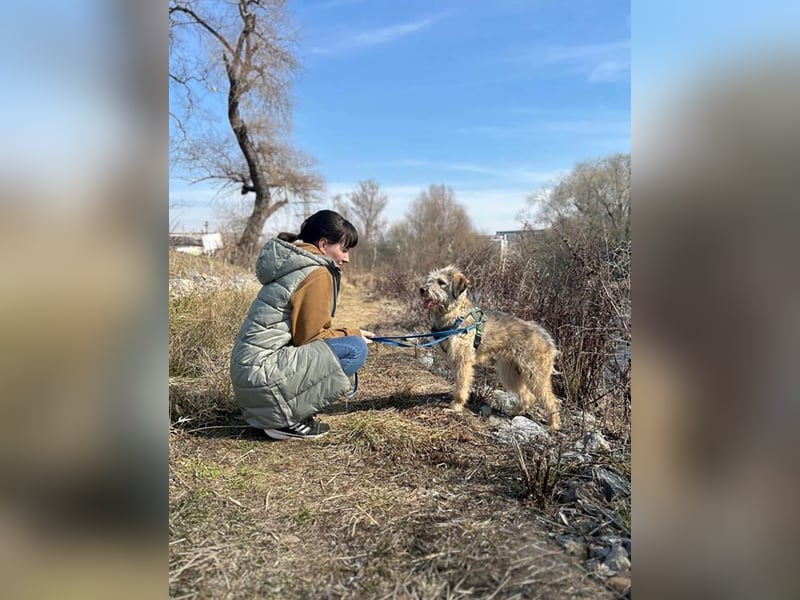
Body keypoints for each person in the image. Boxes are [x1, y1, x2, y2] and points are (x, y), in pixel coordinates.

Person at [230, 210, 374, 440]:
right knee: (354, 348)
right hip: (263, 381)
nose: (347, 258)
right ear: (324, 245)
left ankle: (279, 411)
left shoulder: (294, 264)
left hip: (250, 377)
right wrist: (353, 333)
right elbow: (310, 338)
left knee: (348, 343)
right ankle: (286, 419)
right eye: (344, 249)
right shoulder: (317, 272)